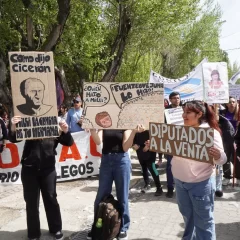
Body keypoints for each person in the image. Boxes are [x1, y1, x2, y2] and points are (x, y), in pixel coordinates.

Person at [8, 116, 74, 240]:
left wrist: (65, 130)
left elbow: (69, 142)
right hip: (29, 168)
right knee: (31, 202)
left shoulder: (55, 121)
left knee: (51, 198)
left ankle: (56, 228)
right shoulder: (27, 119)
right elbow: (13, 139)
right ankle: (33, 233)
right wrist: (13, 127)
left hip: (48, 168)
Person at [171, 100, 227, 240]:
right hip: (180, 183)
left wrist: (218, 155)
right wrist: (153, 144)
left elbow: (223, 159)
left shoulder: (210, 133)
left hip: (200, 184)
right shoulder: (178, 130)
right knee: (188, 218)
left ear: (199, 114)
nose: (184, 115)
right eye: (183, 112)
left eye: (188, 112)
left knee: (203, 221)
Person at [87, 125, 145, 240]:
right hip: (106, 160)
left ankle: (123, 227)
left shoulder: (124, 124)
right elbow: (98, 141)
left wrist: (133, 132)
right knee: (100, 197)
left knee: (122, 196)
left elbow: (125, 148)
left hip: (121, 161)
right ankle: (97, 226)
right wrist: (92, 129)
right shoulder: (104, 124)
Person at [133, 130, 163, 196]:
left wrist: (160, 158)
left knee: (152, 169)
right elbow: (132, 138)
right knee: (143, 168)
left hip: (150, 152)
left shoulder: (150, 128)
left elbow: (158, 139)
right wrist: (133, 144)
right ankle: (147, 184)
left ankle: (159, 188)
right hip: (140, 151)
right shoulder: (136, 128)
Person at [164, 91, 182, 198]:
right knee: (170, 165)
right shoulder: (165, 112)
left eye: (178, 98)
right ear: (170, 100)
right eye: (174, 98)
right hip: (170, 141)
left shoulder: (185, 109)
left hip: (183, 141)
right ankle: (170, 187)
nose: (177, 100)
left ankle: (181, 186)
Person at [220, 96, 240, 185]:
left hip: (237, 139)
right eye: (229, 102)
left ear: (236, 103)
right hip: (226, 138)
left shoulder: (239, 113)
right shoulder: (223, 113)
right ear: (226, 104)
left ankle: (238, 176)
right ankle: (227, 176)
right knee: (226, 157)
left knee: (237, 158)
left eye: (233, 102)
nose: (231, 104)